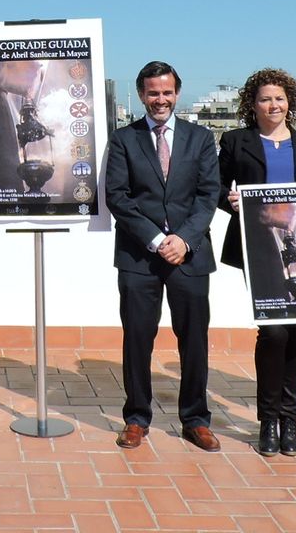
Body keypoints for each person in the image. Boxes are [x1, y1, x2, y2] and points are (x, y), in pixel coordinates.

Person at [104, 60, 221, 451]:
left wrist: (183, 240)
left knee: (194, 341)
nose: (160, 99)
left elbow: (208, 196)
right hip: (140, 257)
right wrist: (156, 239)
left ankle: (196, 419)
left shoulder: (200, 138)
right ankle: (136, 418)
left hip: (190, 256)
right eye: (153, 93)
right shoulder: (123, 139)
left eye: (167, 92)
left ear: (177, 94)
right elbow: (117, 197)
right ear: (141, 95)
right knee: (138, 338)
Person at [218, 68, 296, 457]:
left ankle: (290, 419)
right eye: (265, 98)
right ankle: (268, 419)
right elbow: (217, 189)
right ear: (253, 104)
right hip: (258, 249)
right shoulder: (235, 142)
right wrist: (230, 204)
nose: (273, 105)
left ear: (290, 103)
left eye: (279, 98)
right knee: (274, 333)